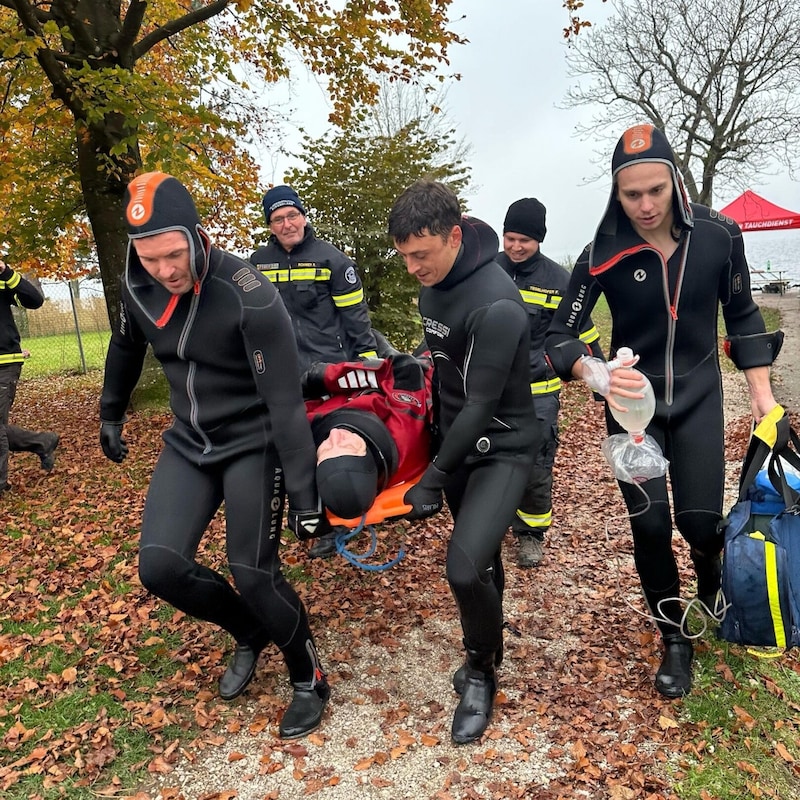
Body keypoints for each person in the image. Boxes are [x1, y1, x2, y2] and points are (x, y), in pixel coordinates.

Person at [545, 124, 780, 699]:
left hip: (699, 398)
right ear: (615, 193)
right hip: (632, 411)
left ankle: (711, 584)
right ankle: (674, 638)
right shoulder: (602, 251)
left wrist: (762, 395)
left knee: (700, 522)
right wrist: (594, 373)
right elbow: (557, 337)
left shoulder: (721, 235)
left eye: (657, 190)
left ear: (676, 180)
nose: (646, 206)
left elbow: (744, 315)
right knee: (649, 525)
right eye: (632, 195)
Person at [99, 172, 332, 739]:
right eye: (150, 259)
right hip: (188, 440)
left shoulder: (246, 290)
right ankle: (249, 632)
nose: (165, 270)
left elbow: (283, 400)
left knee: (253, 573)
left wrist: (305, 495)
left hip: (253, 439)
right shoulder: (138, 283)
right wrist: (110, 409)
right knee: (160, 568)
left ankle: (309, 675)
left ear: (195, 234)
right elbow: (126, 344)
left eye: (174, 255)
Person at [388, 180, 541, 744]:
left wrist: (433, 478)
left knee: (461, 566)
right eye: (403, 256)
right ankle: (492, 644)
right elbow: (448, 363)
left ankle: (479, 672)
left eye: (420, 255)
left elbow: (482, 403)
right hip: (456, 435)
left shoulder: (497, 304)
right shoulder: (434, 283)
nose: (412, 269)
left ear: (454, 236)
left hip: (502, 444)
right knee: (481, 562)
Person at [250, 184, 379, 558]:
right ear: (270, 225)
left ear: (304, 217)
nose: (287, 223)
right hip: (280, 375)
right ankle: (311, 516)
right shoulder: (257, 265)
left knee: (329, 443)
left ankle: (339, 517)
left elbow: (356, 320)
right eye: (278, 219)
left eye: (292, 215)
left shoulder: (333, 260)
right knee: (293, 446)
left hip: (328, 371)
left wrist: (366, 368)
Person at [497, 198, 602, 567]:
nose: (515, 247)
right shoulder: (486, 270)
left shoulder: (560, 282)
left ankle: (531, 533)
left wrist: (601, 384)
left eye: (524, 239)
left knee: (536, 464)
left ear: (539, 239)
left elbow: (584, 335)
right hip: (490, 392)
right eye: (509, 237)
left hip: (538, 393)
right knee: (489, 460)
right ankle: (493, 523)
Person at [303, 353, 434, 522]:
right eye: (348, 446)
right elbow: (405, 368)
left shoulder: (309, 432)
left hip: (350, 394)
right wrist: (326, 376)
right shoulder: (404, 433)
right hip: (431, 370)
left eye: (326, 449)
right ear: (368, 455)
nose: (335, 435)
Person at [1, 262, 59, 493]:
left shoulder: (4, 277)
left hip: (4, 364)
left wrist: (5, 271)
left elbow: (34, 300)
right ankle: (42, 442)